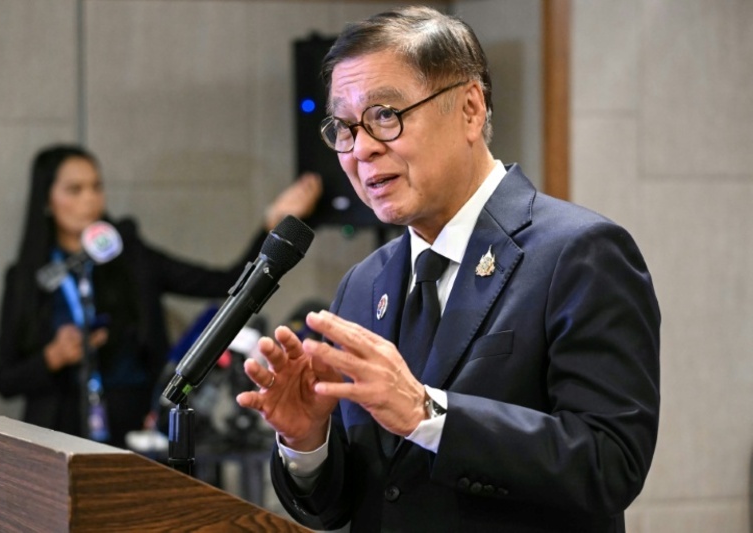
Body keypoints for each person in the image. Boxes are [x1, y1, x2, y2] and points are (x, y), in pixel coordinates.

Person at [236, 6, 660, 532]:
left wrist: (428, 414)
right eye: (344, 127)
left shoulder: (580, 253)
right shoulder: (363, 284)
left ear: (470, 109)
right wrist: (307, 441)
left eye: (384, 115)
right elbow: (350, 503)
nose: (361, 149)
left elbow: (610, 462)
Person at [0, 143, 322, 449]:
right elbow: (4, 380)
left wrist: (273, 224)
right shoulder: (26, 278)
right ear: (47, 200)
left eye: (96, 187)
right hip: (57, 430)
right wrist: (53, 357)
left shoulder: (132, 256)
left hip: (136, 428)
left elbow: (225, 281)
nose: (90, 199)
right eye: (74, 190)